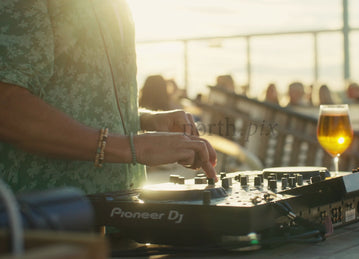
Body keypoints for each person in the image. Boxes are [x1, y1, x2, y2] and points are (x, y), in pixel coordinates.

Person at [0, 1, 217, 195]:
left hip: (122, 213)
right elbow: (6, 106)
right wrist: (131, 147)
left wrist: (145, 120)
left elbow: (77, 102)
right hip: (44, 224)